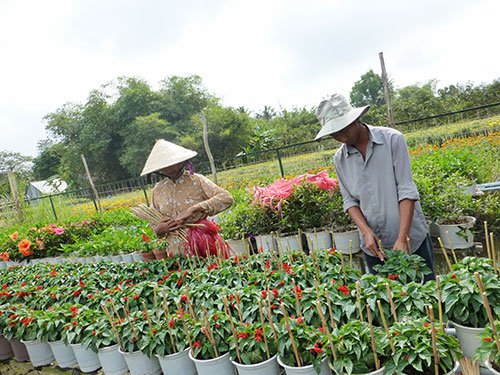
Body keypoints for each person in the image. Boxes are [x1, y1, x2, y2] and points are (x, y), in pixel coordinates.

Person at [315, 93, 435, 281]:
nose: (340, 137)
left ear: (355, 119)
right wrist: (366, 232)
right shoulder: (340, 159)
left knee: (425, 299)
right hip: (374, 248)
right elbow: (350, 201)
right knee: (386, 305)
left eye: (342, 129)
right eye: (334, 134)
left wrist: (402, 238)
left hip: (411, 241)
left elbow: (406, 190)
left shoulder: (392, 140)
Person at [140, 139, 234, 256]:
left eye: (171, 164)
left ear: (180, 162)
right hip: (175, 250)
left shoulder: (196, 180)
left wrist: (193, 209)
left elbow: (226, 198)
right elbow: (154, 222)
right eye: (164, 166)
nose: (168, 169)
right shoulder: (158, 189)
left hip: (203, 244)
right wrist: (159, 230)